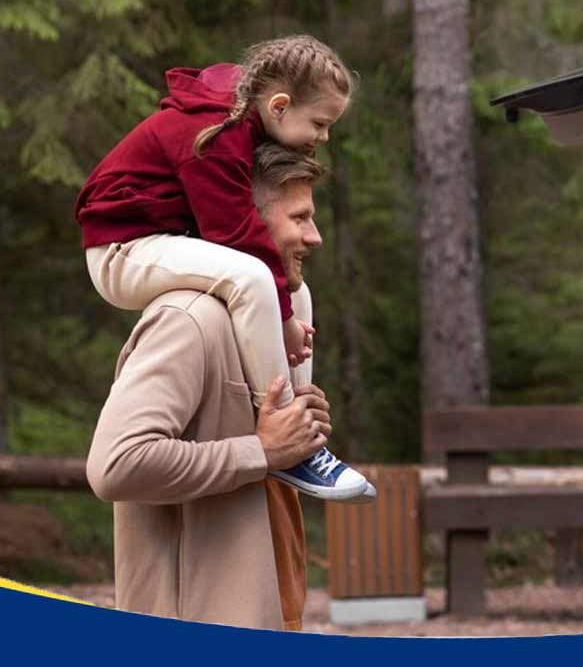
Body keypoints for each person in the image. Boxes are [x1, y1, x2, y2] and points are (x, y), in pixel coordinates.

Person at [75, 36, 368, 501]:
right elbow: (236, 235)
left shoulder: (238, 123)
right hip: (121, 250)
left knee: (297, 290)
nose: (324, 137)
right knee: (254, 278)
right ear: (278, 106)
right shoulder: (218, 133)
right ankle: (284, 427)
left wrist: (290, 308)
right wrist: (284, 321)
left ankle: (301, 427)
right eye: (319, 123)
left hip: (161, 239)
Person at [86, 144, 337, 630]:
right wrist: (261, 451)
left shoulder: (261, 323)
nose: (315, 237)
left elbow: (265, 455)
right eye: (300, 218)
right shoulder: (187, 321)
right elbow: (115, 465)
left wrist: (299, 429)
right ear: (247, 222)